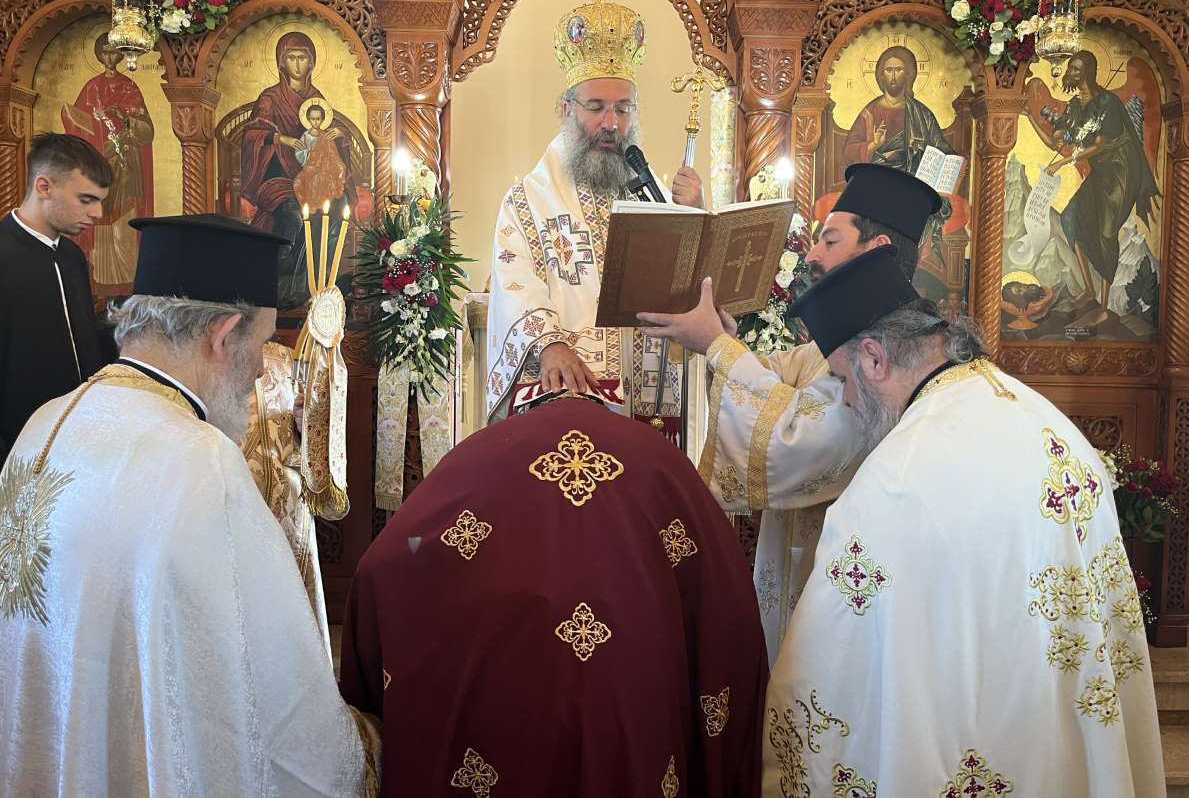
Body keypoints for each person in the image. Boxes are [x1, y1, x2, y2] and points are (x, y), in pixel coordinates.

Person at [762, 246, 1164, 796]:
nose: (848, 400)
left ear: (875, 359)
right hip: (1056, 740)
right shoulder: (1047, 423)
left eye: (842, 379)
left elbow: (828, 664)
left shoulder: (895, 479)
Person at [0, 214, 379, 796]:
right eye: (262, 344)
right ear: (224, 336)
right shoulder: (200, 461)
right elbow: (279, 693)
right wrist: (362, 747)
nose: (261, 369)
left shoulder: (46, 422)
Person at [339, 394, 768, 797]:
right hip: (629, 706)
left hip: (506, 709)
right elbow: (726, 595)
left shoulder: (478, 455)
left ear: (525, 404)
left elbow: (381, 564)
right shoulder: (660, 460)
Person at [638, 164, 939, 660]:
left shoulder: (887, 352)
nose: (812, 255)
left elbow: (797, 440)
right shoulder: (852, 332)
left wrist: (717, 347)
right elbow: (780, 374)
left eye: (830, 241)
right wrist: (724, 342)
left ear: (877, 249)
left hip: (849, 583)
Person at [485, 0, 703, 434]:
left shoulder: (654, 192)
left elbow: (687, 282)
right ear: (567, 110)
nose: (611, 123)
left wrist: (695, 214)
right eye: (597, 107)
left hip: (649, 401)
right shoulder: (528, 200)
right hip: (568, 395)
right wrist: (549, 345)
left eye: (623, 109)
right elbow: (515, 281)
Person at [0, 133, 115, 464]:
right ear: (44, 187)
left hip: (80, 442)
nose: (98, 212)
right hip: (18, 449)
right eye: (86, 200)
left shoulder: (72, 257)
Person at [1039, 49, 1160, 329]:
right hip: (1100, 171)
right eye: (1070, 68)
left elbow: (1099, 145)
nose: (1071, 74)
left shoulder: (1107, 102)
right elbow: (1062, 136)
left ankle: (1104, 308)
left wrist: (1063, 162)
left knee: (1106, 232)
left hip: (1121, 170)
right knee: (1071, 218)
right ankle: (1089, 291)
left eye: (1076, 69)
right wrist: (1050, 128)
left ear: (1089, 73)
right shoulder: (1075, 104)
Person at [241, 340, 346, 658]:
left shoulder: (287, 358)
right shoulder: (201, 360)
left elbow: (310, 440)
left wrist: (306, 421)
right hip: (232, 500)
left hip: (287, 505)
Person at [241, 31, 355, 309]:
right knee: (293, 216)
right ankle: (285, 289)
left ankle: (323, 283)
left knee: (337, 208)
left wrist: (339, 134)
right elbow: (252, 134)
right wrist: (281, 138)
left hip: (315, 178)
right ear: (281, 62)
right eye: (291, 58)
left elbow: (330, 134)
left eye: (302, 58)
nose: (297, 64)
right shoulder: (270, 98)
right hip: (277, 178)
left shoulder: (316, 98)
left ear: (311, 62)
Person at [60, 33, 155, 288]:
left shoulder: (129, 87)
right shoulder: (91, 87)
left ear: (122, 55)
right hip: (98, 162)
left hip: (126, 164)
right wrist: (77, 119)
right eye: (105, 52)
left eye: (114, 52)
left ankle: (128, 282)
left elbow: (147, 131)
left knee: (123, 222)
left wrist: (124, 118)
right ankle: (101, 284)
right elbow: (77, 122)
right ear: (98, 55)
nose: (110, 57)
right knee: (100, 219)